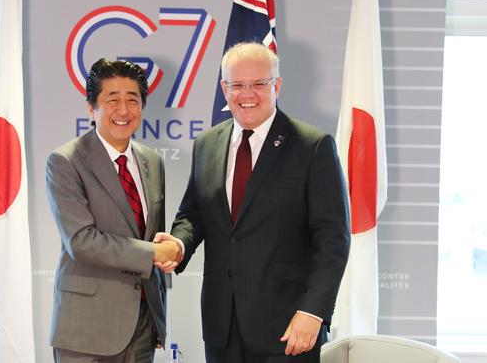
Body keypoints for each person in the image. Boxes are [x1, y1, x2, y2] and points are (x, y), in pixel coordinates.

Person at [157, 42, 351, 362]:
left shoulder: (313, 147)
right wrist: (179, 244)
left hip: (289, 329)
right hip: (223, 328)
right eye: (237, 85)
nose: (247, 94)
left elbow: (334, 240)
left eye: (259, 83)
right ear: (224, 88)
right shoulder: (207, 144)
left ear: (277, 85)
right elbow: (193, 213)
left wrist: (313, 312)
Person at [46, 58, 181, 363]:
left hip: (143, 327)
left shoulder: (152, 161)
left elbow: (151, 236)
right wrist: (152, 254)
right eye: (112, 100)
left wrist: (166, 255)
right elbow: (81, 241)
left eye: (132, 100)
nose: (124, 110)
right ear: (91, 108)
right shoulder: (66, 161)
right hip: (87, 330)